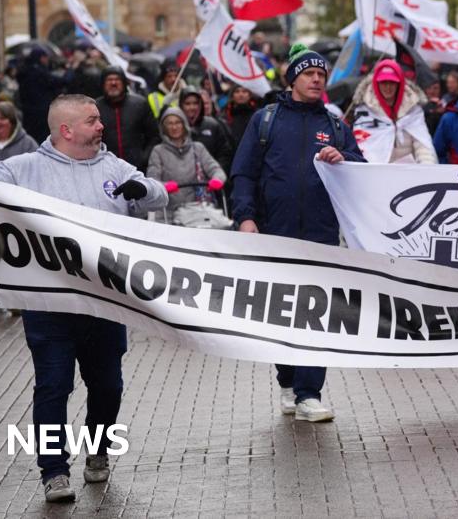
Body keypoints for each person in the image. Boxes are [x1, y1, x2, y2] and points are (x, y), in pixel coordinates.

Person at [0, 94, 169, 502]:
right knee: (53, 387)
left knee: (107, 386)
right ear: (66, 129)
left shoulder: (114, 166)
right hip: (50, 306)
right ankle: (54, 471)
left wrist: (142, 187)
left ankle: (98, 452)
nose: (101, 128)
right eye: (93, 121)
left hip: (105, 303)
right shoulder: (25, 168)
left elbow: (159, 194)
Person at [231, 43, 366, 424]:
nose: (317, 79)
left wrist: (346, 159)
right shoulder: (266, 120)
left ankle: (310, 393)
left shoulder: (336, 126)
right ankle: (288, 380)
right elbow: (244, 173)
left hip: (321, 237)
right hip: (276, 232)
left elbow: (362, 171)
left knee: (317, 313)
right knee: (280, 313)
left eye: (321, 74)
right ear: (293, 79)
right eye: (309, 74)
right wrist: (245, 217)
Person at [349, 59, 437, 164]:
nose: (388, 87)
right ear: (376, 84)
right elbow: (361, 148)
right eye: (383, 82)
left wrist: (426, 167)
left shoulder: (413, 110)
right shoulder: (364, 112)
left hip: (409, 175)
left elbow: (422, 146)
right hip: (377, 175)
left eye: (392, 82)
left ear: (399, 83)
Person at [148, 107, 227, 217]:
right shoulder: (158, 151)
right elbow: (152, 181)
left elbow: (216, 169)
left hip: (198, 209)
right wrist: (164, 186)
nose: (174, 127)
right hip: (169, 213)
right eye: (169, 124)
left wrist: (217, 180)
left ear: (184, 124)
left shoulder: (198, 148)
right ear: (163, 127)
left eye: (177, 122)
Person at [96, 67, 159, 173]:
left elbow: (154, 136)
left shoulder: (140, 104)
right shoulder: (95, 107)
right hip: (107, 169)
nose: (113, 83)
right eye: (109, 80)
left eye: (117, 79)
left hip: (137, 169)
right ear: (103, 84)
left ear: (124, 83)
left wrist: (144, 158)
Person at [179, 88, 236, 176]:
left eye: (195, 103)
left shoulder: (212, 125)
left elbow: (224, 153)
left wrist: (216, 174)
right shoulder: (175, 125)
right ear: (181, 105)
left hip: (211, 182)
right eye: (187, 104)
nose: (192, 107)